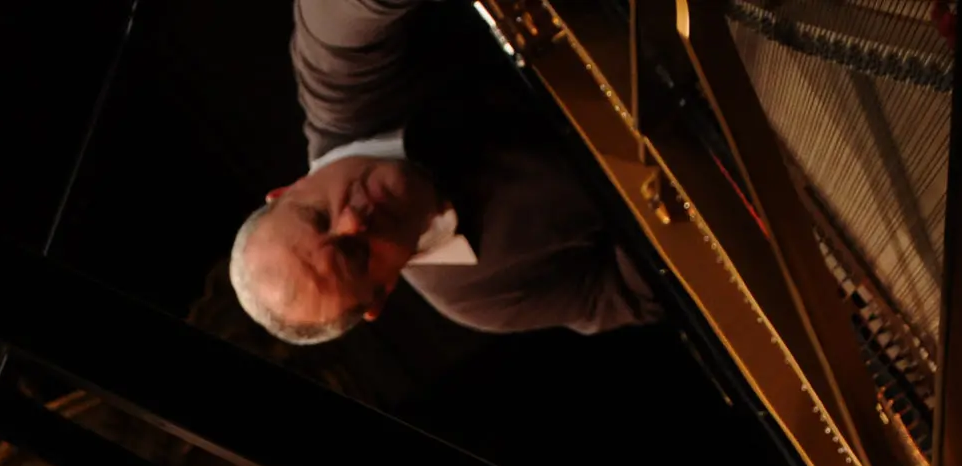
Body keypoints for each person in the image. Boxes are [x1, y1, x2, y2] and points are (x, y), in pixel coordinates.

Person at [230, 0, 659, 344]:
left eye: (319, 215)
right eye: (355, 254)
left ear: (288, 189)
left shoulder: (335, 69)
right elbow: (652, 290)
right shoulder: (482, 298)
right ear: (380, 296)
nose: (353, 220)